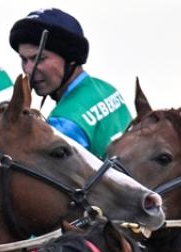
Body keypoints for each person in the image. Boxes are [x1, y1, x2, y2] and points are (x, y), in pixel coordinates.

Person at [9, 8, 130, 158]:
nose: (28, 70)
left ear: (71, 57)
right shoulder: (106, 88)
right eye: (24, 59)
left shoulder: (63, 124)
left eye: (39, 58)